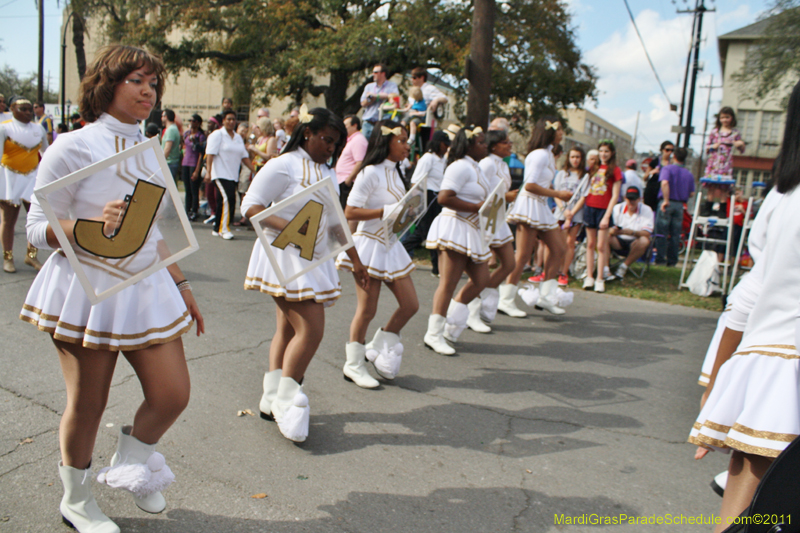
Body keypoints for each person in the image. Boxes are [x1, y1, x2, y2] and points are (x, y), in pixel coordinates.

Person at [18, 44, 204, 533]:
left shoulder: (151, 149)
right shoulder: (71, 146)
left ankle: (131, 459)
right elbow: (36, 227)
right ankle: (76, 500)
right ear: (107, 84)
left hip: (147, 287)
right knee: (88, 402)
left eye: (153, 83)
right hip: (85, 291)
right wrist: (88, 225)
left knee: (173, 395)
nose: (149, 91)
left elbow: (153, 230)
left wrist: (181, 283)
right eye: (137, 81)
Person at [689, 78, 800, 532]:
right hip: (779, 367)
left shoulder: (781, 196)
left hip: (772, 365)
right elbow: (751, 292)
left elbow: (750, 293)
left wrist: (718, 381)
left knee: (741, 515)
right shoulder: (782, 196)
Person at [242, 106, 369, 441]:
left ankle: (272, 399)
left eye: (336, 144)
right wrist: (294, 229)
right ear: (307, 132)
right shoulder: (282, 165)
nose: (330, 148)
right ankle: (287, 398)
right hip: (284, 254)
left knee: (287, 328)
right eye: (326, 140)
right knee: (311, 330)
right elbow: (250, 206)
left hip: (313, 256)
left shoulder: (327, 173)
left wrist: (355, 258)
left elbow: (335, 221)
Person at [335, 121, 418, 388]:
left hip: (390, 246)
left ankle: (379, 343)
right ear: (387, 142)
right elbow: (350, 212)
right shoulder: (370, 172)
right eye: (402, 140)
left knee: (411, 305)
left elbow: (397, 211)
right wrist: (384, 212)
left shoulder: (397, 172)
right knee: (367, 310)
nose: (407, 145)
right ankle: (354, 365)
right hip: (369, 246)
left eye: (407, 140)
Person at [423, 125, 491, 355]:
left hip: (470, 229)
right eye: (481, 142)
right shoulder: (459, 166)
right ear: (470, 144)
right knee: (448, 283)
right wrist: (475, 207)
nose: (485, 145)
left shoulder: (476, 167)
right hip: (454, 226)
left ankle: (451, 320)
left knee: (482, 279)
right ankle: (433, 334)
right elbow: (444, 197)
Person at [504, 118, 571, 314]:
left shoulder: (549, 154)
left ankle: (546, 297)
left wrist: (555, 193)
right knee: (523, 254)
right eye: (558, 129)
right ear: (549, 132)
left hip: (540, 205)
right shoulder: (540, 155)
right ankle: (506, 298)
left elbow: (540, 183)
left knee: (559, 248)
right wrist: (558, 194)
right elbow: (530, 185)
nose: (561, 132)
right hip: (530, 204)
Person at [473, 129, 518, 331]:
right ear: (493, 146)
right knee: (480, 268)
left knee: (510, 263)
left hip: (498, 218)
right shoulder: (487, 163)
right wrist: (505, 197)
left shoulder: (503, 165)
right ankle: (471, 310)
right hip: (485, 219)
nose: (510, 145)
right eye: (505, 142)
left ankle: (484, 298)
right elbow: (480, 193)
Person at [1, 95, 49, 273]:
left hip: (32, 177)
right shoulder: (4, 128)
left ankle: (31, 255)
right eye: (24, 109)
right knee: (9, 220)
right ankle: (8, 257)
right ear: (13, 109)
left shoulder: (39, 129)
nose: (28, 112)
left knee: (35, 218)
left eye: (30, 109)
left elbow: (47, 153)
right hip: (9, 177)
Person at [569, 140, 622, 293]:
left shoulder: (615, 170)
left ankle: (600, 278)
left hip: (603, 210)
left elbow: (615, 195)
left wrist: (607, 215)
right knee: (590, 244)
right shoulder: (593, 169)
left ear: (611, 153)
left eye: (606, 151)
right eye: (601, 151)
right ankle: (589, 276)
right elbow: (586, 191)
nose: (603, 154)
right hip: (590, 208)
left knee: (601, 246)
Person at [402, 129, 451, 276]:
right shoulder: (428, 158)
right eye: (444, 144)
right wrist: (414, 202)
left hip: (438, 197)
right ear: (437, 143)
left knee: (431, 232)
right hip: (428, 196)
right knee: (423, 232)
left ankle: (436, 268)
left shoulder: (442, 160)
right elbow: (416, 181)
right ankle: (398, 251)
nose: (446, 147)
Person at [204, 109, 254, 240]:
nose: (231, 122)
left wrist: (254, 170)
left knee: (223, 201)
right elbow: (210, 154)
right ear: (223, 121)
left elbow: (244, 157)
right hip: (220, 173)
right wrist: (208, 172)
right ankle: (224, 229)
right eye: (229, 119)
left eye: (233, 119)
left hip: (233, 175)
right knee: (228, 199)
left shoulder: (238, 138)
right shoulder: (217, 135)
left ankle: (216, 228)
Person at [655, 147, 695, 266]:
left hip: (667, 202)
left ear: (674, 156)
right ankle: (672, 260)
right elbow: (692, 193)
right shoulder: (688, 174)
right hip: (680, 205)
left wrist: (666, 200)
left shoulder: (667, 169)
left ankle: (661, 259)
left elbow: (664, 183)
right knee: (675, 234)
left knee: (662, 232)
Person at [557, 146, 589, 287]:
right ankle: (553, 270)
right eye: (573, 157)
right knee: (557, 242)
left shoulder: (585, 176)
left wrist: (571, 213)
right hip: (560, 213)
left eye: (578, 157)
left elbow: (583, 197)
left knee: (570, 242)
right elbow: (556, 193)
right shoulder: (561, 174)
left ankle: (564, 272)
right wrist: (564, 210)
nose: (575, 160)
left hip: (576, 214)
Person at [608, 186, 653, 279]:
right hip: (617, 241)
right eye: (629, 199)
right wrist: (613, 231)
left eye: (634, 199)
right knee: (605, 236)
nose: (631, 202)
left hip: (635, 243)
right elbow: (610, 229)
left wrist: (632, 232)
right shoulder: (617, 208)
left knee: (644, 241)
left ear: (639, 199)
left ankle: (624, 266)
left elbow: (647, 233)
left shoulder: (646, 210)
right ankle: (605, 269)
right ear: (625, 198)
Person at [336, 115, 369, 212]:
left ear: (354, 125)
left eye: (345, 125)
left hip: (348, 182)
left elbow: (360, 162)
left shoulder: (358, 140)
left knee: (346, 212)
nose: (343, 128)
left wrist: (349, 180)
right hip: (344, 181)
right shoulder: (352, 140)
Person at [360, 64, 399, 140]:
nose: (373, 74)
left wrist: (376, 96)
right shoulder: (369, 86)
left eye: (375, 72)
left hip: (382, 124)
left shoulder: (392, 86)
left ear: (383, 73)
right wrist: (371, 99)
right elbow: (363, 103)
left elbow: (395, 99)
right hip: (368, 123)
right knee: (365, 148)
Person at [704, 107, 745, 179]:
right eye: (722, 117)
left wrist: (740, 144)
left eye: (727, 117)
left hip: (726, 164)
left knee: (723, 186)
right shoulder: (715, 132)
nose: (724, 120)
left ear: (732, 118)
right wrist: (713, 146)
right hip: (714, 164)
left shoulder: (735, 133)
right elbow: (706, 147)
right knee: (712, 185)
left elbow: (742, 149)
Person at [181, 114, 206, 221]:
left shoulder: (200, 135)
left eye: (194, 121)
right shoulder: (187, 134)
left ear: (199, 123)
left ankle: (194, 210)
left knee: (194, 189)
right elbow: (184, 146)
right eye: (190, 120)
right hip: (185, 162)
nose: (192, 122)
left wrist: (197, 170)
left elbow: (201, 153)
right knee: (187, 189)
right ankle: (187, 210)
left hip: (194, 163)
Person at [643, 141, 673, 212]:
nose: (669, 152)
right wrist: (651, 172)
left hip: (663, 193)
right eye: (667, 150)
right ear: (662, 150)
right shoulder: (655, 162)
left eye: (672, 150)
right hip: (652, 191)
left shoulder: (672, 164)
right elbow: (645, 177)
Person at [160, 108, 181, 184]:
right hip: (170, 163)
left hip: (169, 163)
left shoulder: (171, 130)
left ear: (166, 117)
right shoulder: (172, 128)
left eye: (162, 116)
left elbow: (167, 148)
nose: (161, 118)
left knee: (167, 187)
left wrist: (161, 162)